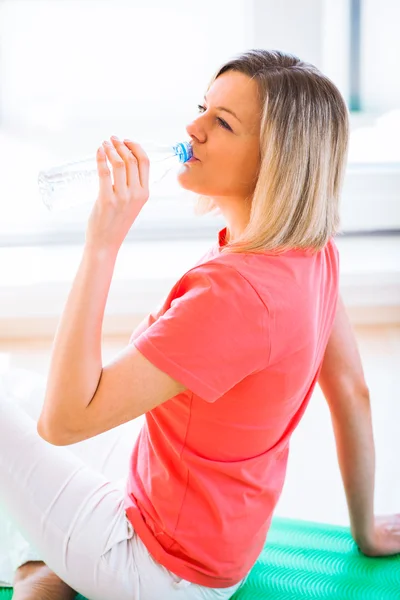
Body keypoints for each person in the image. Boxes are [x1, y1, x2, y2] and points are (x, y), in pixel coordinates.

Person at [0, 48, 399, 600]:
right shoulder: (312, 252)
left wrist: (102, 243)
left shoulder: (232, 296)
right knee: (21, 393)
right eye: (202, 108)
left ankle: (47, 570)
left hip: (157, 568)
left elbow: (63, 422)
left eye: (222, 123)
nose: (193, 129)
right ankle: (46, 571)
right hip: (220, 546)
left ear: (275, 161)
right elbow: (353, 392)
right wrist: (366, 530)